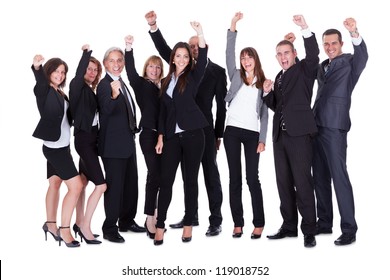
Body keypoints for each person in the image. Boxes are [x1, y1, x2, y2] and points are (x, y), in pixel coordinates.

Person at [145, 10, 227, 237]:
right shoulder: (176, 72)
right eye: (188, 47)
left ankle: (215, 220)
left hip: (204, 131)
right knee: (183, 178)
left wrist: (219, 134)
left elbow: (221, 105)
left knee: (210, 174)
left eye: (195, 46)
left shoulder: (214, 72)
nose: (192, 50)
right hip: (176, 131)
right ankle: (191, 217)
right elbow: (166, 51)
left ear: (201, 48)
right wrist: (154, 28)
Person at [150, 19, 209, 245]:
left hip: (194, 134)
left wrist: (200, 32)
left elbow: (202, 57)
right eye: (179, 56)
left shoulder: (193, 76)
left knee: (190, 181)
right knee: (166, 181)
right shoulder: (166, 81)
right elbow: (164, 112)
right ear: (173, 58)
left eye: (186, 56)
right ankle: (161, 225)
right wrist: (161, 136)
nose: (183, 59)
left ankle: (188, 224)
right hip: (172, 137)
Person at [263, 15, 319, 248]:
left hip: (300, 136)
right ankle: (289, 226)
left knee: (303, 182)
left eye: (287, 53)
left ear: (294, 54)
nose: (283, 57)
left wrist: (305, 28)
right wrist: (267, 94)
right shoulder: (278, 77)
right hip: (280, 137)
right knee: (283, 182)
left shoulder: (305, 69)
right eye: (280, 54)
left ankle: (309, 230)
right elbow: (278, 106)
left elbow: (314, 54)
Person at [312, 18, 368, 245]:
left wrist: (354, 31)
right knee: (320, 177)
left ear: (341, 43)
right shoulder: (321, 65)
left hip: (335, 127)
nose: (329, 47)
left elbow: (363, 56)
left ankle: (349, 229)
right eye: (326, 44)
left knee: (339, 177)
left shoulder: (350, 63)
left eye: (333, 43)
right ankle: (324, 222)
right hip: (315, 125)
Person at [224, 12, 268, 240]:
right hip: (231, 130)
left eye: (249, 57)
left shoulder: (263, 82)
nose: (245, 60)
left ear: (255, 59)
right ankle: (238, 223)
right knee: (235, 178)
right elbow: (228, 53)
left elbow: (264, 114)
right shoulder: (236, 75)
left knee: (253, 178)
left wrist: (262, 139)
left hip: (252, 134)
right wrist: (232, 26)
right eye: (243, 57)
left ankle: (259, 223)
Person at [32, 54, 83, 247]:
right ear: (49, 72)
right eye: (56, 71)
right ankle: (64, 229)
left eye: (63, 73)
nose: (60, 75)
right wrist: (37, 67)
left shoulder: (60, 92)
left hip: (59, 145)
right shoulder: (44, 90)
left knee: (55, 184)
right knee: (76, 186)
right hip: (56, 149)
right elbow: (39, 84)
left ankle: (50, 224)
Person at [97, 46, 145, 243]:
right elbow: (105, 110)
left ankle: (126, 221)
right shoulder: (104, 84)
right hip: (113, 147)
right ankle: (109, 227)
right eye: (112, 61)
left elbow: (126, 111)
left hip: (127, 142)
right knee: (115, 188)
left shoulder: (121, 82)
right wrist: (114, 96)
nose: (116, 64)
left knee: (131, 185)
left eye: (120, 60)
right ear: (105, 64)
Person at [123, 34, 164, 239]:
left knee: (155, 177)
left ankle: (154, 214)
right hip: (148, 135)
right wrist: (128, 48)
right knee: (155, 174)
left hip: (164, 137)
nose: (154, 70)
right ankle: (150, 218)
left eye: (158, 67)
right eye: (151, 67)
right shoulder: (141, 84)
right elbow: (129, 71)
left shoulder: (163, 87)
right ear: (146, 69)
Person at [69, 44, 107, 244]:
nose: (92, 72)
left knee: (83, 183)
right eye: (88, 68)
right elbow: (76, 75)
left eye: (95, 69)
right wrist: (86, 54)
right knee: (101, 185)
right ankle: (85, 226)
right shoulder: (77, 86)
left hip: (91, 140)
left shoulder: (90, 91)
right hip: (84, 140)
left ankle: (78, 222)